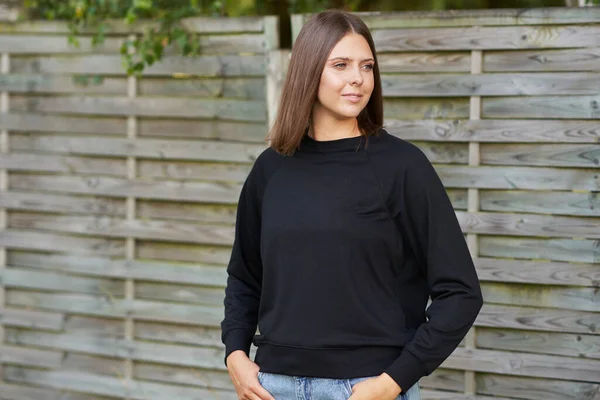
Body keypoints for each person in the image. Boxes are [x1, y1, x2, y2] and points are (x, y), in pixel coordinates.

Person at [220, 9, 483, 400]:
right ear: (309, 72)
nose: (357, 78)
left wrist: (392, 383)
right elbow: (245, 277)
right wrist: (236, 355)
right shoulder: (270, 169)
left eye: (367, 66)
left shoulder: (402, 167)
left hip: (365, 388)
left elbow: (461, 293)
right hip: (273, 386)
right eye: (340, 65)